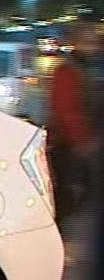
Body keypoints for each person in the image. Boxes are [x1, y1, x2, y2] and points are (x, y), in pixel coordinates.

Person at [48, 20, 100, 228]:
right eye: (87, 42)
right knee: (67, 194)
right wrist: (82, 141)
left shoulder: (86, 68)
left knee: (77, 193)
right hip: (67, 144)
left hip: (80, 142)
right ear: (75, 43)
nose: (93, 47)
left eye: (94, 43)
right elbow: (66, 109)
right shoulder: (68, 70)